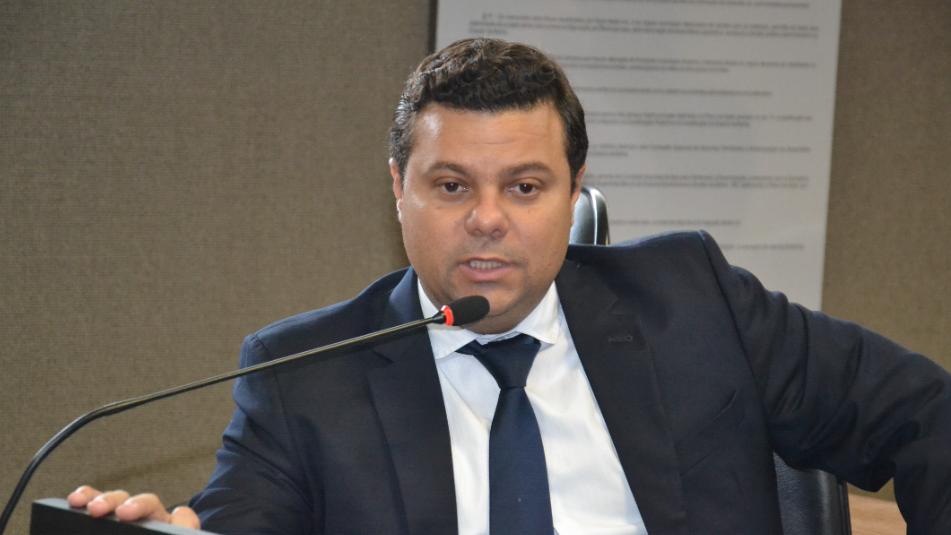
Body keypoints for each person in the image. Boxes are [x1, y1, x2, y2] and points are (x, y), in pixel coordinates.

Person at [68, 38, 951, 534]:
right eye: (452, 186)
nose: (487, 219)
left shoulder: (693, 302)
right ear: (398, 190)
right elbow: (235, 525)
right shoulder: (304, 373)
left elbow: (925, 413)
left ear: (574, 192)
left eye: (524, 187)